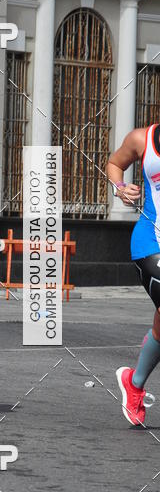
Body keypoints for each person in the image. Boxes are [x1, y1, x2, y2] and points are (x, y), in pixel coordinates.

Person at [108, 124, 160, 426]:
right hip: (149, 243)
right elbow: (114, 164)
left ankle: (134, 383)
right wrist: (120, 188)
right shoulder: (143, 139)